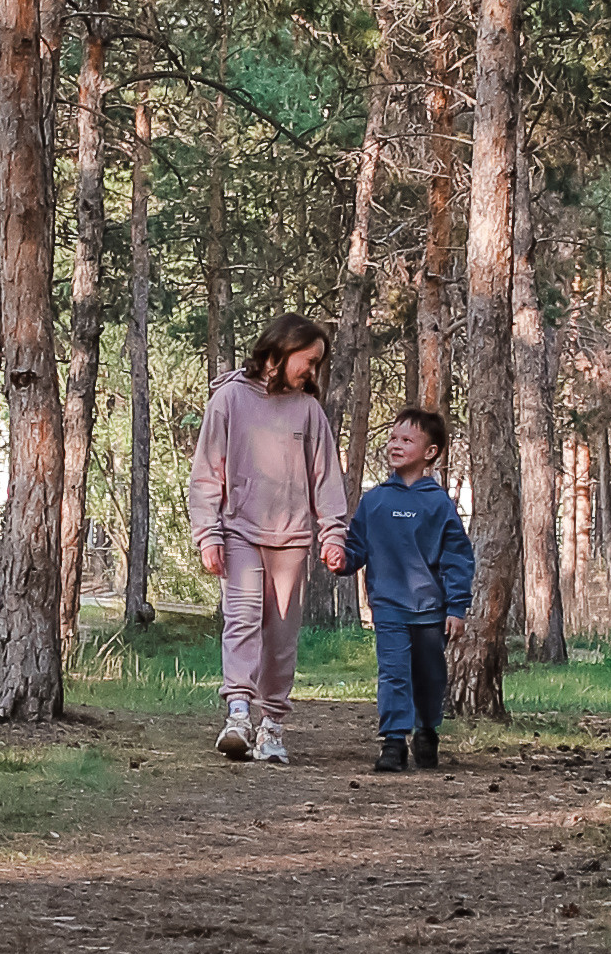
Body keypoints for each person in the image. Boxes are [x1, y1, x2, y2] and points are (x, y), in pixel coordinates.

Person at [186, 317, 350, 765]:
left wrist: (333, 534)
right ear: (280, 350)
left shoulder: (308, 411)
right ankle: (238, 717)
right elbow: (206, 474)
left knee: (280, 637)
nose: (312, 371)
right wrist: (207, 534)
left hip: (292, 539)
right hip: (238, 532)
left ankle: (271, 726)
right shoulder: (229, 399)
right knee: (241, 620)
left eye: (317, 364)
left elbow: (326, 480)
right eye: (309, 361)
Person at [343, 407, 474, 774]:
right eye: (392, 439)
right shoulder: (374, 501)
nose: (395, 445)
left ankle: (427, 730)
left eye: (406, 440)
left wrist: (457, 608)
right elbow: (356, 548)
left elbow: (457, 558)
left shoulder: (439, 503)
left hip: (431, 610)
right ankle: (394, 741)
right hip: (388, 607)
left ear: (430, 452)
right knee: (394, 673)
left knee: (430, 676)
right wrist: (340, 559)